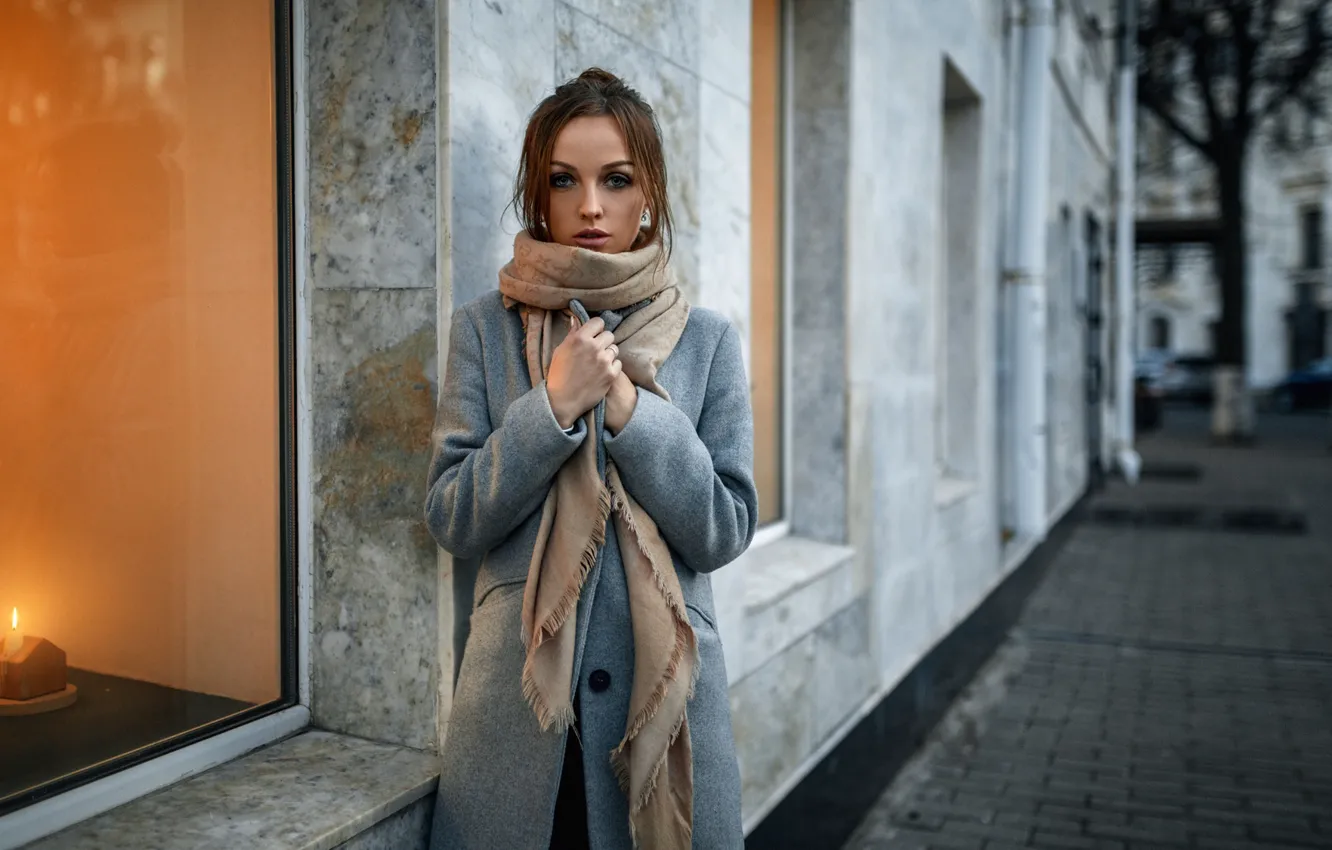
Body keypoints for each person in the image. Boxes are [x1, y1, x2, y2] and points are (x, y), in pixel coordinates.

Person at [424, 67, 757, 850]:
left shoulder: (705, 340)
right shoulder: (483, 329)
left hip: (662, 714)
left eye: (616, 179)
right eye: (563, 181)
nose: (591, 206)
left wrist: (637, 417)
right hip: (519, 728)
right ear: (538, 196)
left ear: (650, 195)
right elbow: (453, 516)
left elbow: (724, 528)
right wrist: (551, 409)